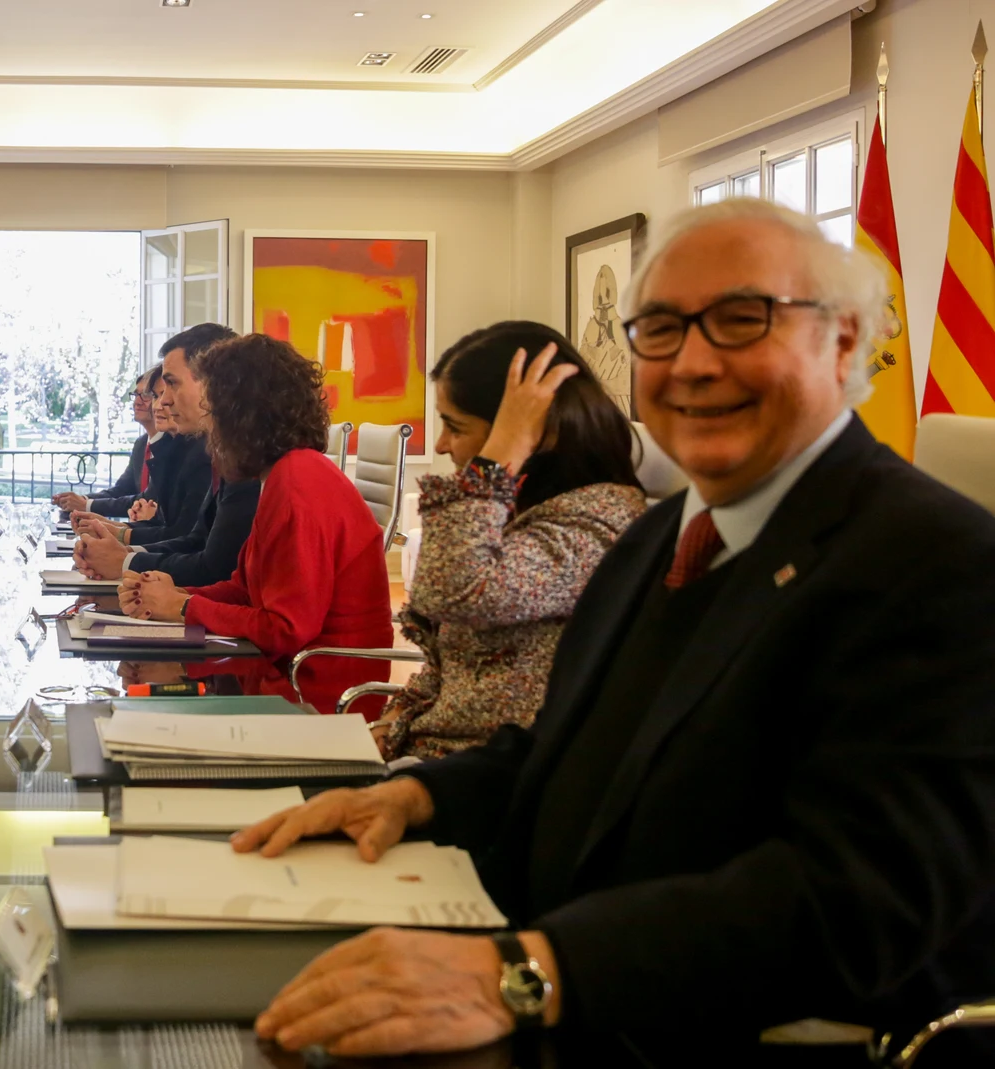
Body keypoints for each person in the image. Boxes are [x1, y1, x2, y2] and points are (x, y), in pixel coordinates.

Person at [234, 199, 995, 1062]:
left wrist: (527, 972)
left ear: (847, 341)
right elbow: (568, 747)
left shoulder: (941, 565)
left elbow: (856, 897)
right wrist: (417, 796)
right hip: (553, 967)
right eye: (660, 329)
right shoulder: (659, 538)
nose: (693, 363)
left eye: (743, 321)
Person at [374, 322, 645, 761]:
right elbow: (452, 664)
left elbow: (450, 591)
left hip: (484, 780)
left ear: (538, 433)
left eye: (455, 427)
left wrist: (494, 458)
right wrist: (392, 721)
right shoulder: (520, 511)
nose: (442, 444)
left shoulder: (596, 525)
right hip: (433, 760)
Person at [118, 333, 392, 713]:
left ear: (238, 414)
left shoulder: (296, 483)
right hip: (281, 680)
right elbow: (245, 589)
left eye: (213, 409)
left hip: (314, 700)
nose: (210, 426)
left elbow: (284, 628)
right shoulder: (285, 473)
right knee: (138, 712)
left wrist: (184, 608)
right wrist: (174, 596)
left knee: (137, 721)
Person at [76, 323, 256, 586]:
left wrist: (125, 560)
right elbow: (197, 538)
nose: (163, 403)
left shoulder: (246, 459)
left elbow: (216, 567)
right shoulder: (224, 451)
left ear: (216, 381)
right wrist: (122, 552)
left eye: (170, 385)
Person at [53, 368, 160, 517]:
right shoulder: (141, 444)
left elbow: (147, 499)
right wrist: (81, 500)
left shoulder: (174, 446)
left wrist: (86, 505)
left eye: (146, 395)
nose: (137, 402)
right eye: (136, 394)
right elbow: (122, 490)